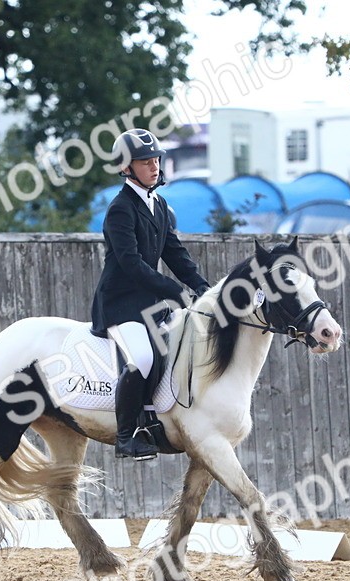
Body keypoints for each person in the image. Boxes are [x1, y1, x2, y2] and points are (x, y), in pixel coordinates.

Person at [91, 128, 212, 461]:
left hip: (149, 304)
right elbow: (131, 264)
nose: (154, 167)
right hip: (120, 304)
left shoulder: (159, 205)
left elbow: (174, 253)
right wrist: (172, 289)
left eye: (156, 160)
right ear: (127, 168)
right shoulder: (120, 209)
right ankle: (125, 436)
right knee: (143, 357)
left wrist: (201, 285)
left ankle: (157, 422)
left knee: (178, 345)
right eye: (145, 163)